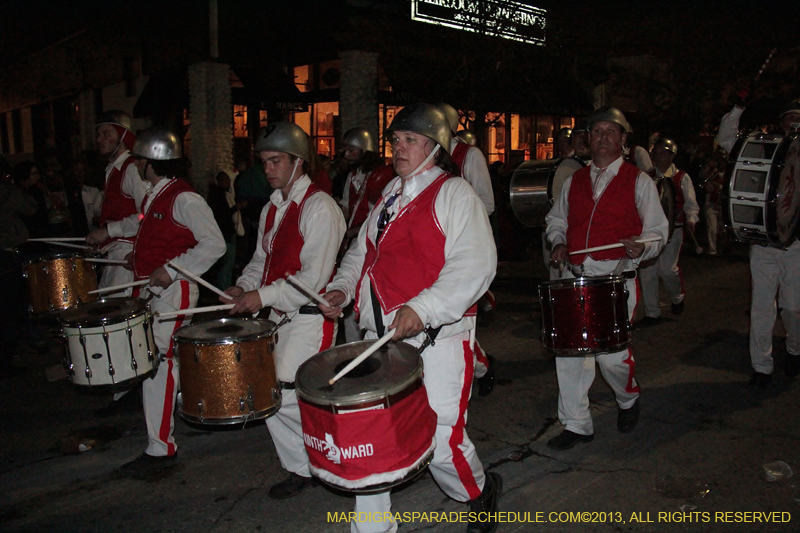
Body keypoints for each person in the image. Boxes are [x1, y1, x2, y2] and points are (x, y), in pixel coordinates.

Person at [320, 103, 502, 533]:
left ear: (435, 147)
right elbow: (362, 253)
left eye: (411, 141)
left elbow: (475, 265)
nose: (399, 148)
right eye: (396, 140)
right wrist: (343, 288)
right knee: (374, 434)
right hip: (380, 337)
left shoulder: (455, 194)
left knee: (440, 441)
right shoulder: (388, 196)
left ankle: (477, 490)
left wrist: (422, 307)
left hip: (438, 340)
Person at [221, 122, 345, 499]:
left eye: (276, 161)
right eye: (264, 162)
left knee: (290, 397)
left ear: (299, 162)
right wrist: (245, 285)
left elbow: (313, 276)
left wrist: (264, 296)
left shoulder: (320, 207)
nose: (268, 169)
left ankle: (338, 455)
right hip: (279, 317)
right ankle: (303, 467)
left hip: (309, 318)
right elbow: (263, 259)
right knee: (269, 395)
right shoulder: (274, 206)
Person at [546, 107, 669, 449]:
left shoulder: (639, 181)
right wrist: (558, 242)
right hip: (576, 275)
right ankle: (576, 423)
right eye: (596, 131)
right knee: (571, 355)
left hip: (615, 277)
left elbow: (658, 232)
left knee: (611, 357)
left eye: (609, 132)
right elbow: (556, 220)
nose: (602, 137)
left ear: (623, 140)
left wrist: (639, 248)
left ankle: (628, 397)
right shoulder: (574, 180)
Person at [116, 128, 225, 477]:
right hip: (155, 290)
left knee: (157, 364)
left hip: (174, 292)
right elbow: (151, 232)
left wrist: (173, 270)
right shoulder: (156, 195)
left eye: (139, 161)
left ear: (151, 163)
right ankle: (178, 413)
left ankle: (160, 446)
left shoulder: (184, 199)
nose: (136, 166)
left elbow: (214, 244)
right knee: (161, 362)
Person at [716, 98, 800, 386]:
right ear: (782, 122)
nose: (794, 122)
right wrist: (737, 107)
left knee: (793, 308)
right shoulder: (765, 148)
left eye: (799, 118)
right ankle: (761, 366)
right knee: (761, 308)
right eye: (789, 117)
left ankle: (795, 349)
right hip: (763, 243)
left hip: (797, 245)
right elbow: (726, 139)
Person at [438, 103, 496, 395]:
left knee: (457, 318)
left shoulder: (470, 155)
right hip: (435, 251)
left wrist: (457, 221)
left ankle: (477, 369)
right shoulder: (430, 156)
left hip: (462, 249)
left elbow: (487, 203)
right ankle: (478, 367)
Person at [337, 127, 394, 342]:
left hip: (369, 243)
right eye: (346, 150)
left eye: (352, 150)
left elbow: (377, 217)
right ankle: (354, 351)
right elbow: (345, 205)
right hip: (351, 243)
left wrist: (351, 232)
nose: (347, 155)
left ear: (364, 150)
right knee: (349, 301)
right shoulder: (352, 175)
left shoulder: (381, 177)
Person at [85, 111, 149, 293]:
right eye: (98, 134)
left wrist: (107, 231)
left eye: (107, 134)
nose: (99, 139)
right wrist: (100, 241)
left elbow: (148, 213)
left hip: (128, 255)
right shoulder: (113, 170)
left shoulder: (131, 169)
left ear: (123, 136)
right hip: (115, 254)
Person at [638, 138, 700, 325]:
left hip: (674, 230)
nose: (659, 157)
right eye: (656, 153)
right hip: (649, 230)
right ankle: (652, 313)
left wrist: (691, 219)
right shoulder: (645, 176)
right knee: (647, 271)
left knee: (667, 269)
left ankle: (677, 297)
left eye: (664, 153)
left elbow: (691, 204)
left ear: (672, 155)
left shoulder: (682, 178)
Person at [0, 157, 38, 378]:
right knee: (11, 309)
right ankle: (6, 362)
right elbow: (30, 208)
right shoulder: (8, 192)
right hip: (7, 253)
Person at [207, 170, 245, 290]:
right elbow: (221, 215)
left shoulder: (228, 194)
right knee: (226, 264)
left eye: (227, 180)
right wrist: (235, 208)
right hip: (224, 233)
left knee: (228, 264)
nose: (226, 182)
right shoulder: (217, 195)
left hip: (228, 232)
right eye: (223, 180)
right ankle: (223, 289)